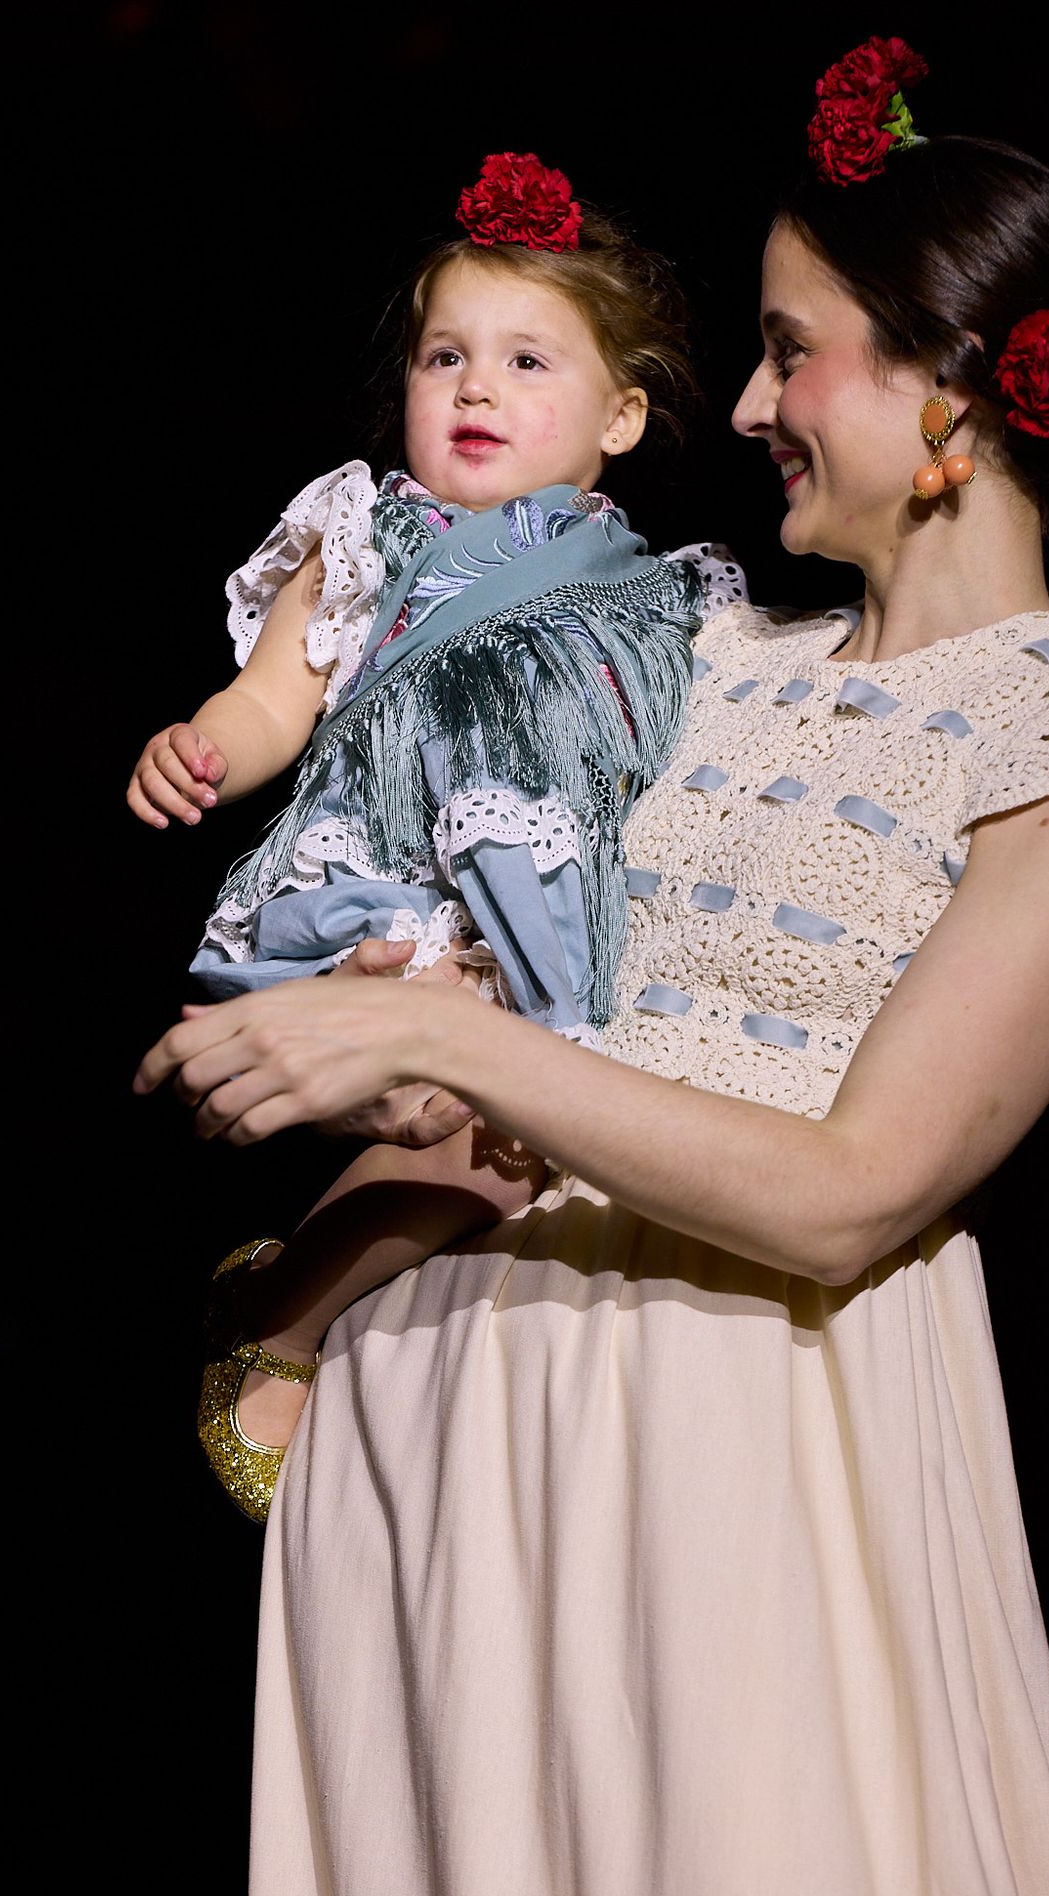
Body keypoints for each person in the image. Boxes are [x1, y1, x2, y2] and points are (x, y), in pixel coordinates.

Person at [139, 40, 1049, 1896]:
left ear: (949, 383)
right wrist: (365, 1048)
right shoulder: (678, 642)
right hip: (451, 1418)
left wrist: (449, 1047)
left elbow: (842, 1194)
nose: (753, 403)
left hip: (730, 1435)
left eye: (794, 352)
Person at [126, 153, 724, 1518]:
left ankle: (278, 1298)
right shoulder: (367, 535)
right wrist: (209, 746)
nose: (473, 387)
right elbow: (282, 689)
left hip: (546, 925)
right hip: (389, 894)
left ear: (621, 416)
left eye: (525, 361)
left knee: (504, 1153)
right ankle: (280, 1319)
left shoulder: (660, 595)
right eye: (444, 354)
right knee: (462, 1108)